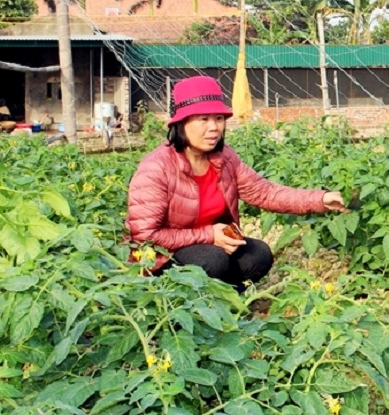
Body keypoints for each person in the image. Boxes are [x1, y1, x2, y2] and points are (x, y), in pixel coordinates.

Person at [126, 75, 348, 287]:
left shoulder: (224, 159)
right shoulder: (156, 168)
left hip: (212, 249)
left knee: (258, 254)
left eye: (219, 118)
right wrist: (209, 235)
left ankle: (225, 303)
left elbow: (265, 193)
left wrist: (321, 199)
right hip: (162, 261)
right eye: (204, 119)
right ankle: (179, 310)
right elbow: (145, 236)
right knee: (213, 259)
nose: (214, 127)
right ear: (181, 123)